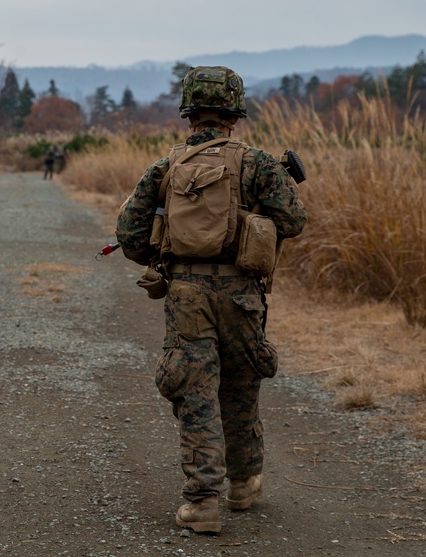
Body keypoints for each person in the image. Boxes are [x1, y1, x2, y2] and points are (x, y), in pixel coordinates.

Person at [116, 65, 306, 534]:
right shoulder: (259, 163)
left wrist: (170, 254)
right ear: (235, 115)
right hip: (243, 293)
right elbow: (295, 220)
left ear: (188, 112)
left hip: (186, 294)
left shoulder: (167, 165)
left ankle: (202, 501)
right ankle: (243, 483)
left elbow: (129, 234)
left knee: (195, 390)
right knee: (240, 386)